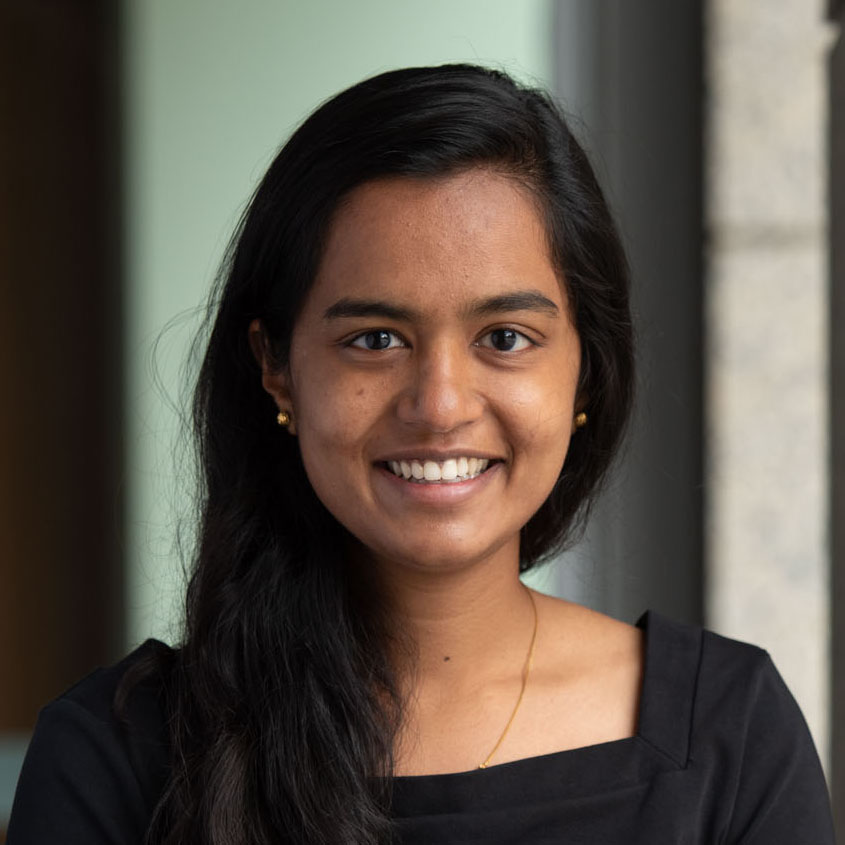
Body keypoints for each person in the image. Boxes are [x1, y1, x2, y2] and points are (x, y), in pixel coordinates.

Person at [7, 64, 834, 845]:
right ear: (275, 366)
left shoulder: (729, 732)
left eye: (504, 338)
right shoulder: (113, 759)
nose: (439, 404)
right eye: (375, 339)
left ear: (585, 368)